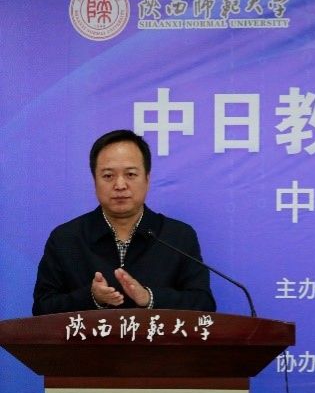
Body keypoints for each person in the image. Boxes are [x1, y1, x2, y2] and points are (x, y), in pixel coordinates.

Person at [32, 129, 215, 315]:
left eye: (130, 174)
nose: (120, 185)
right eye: (108, 176)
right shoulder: (66, 239)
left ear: (147, 179)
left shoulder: (178, 236)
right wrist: (92, 297)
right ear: (94, 181)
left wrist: (149, 298)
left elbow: (204, 304)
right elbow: (42, 308)